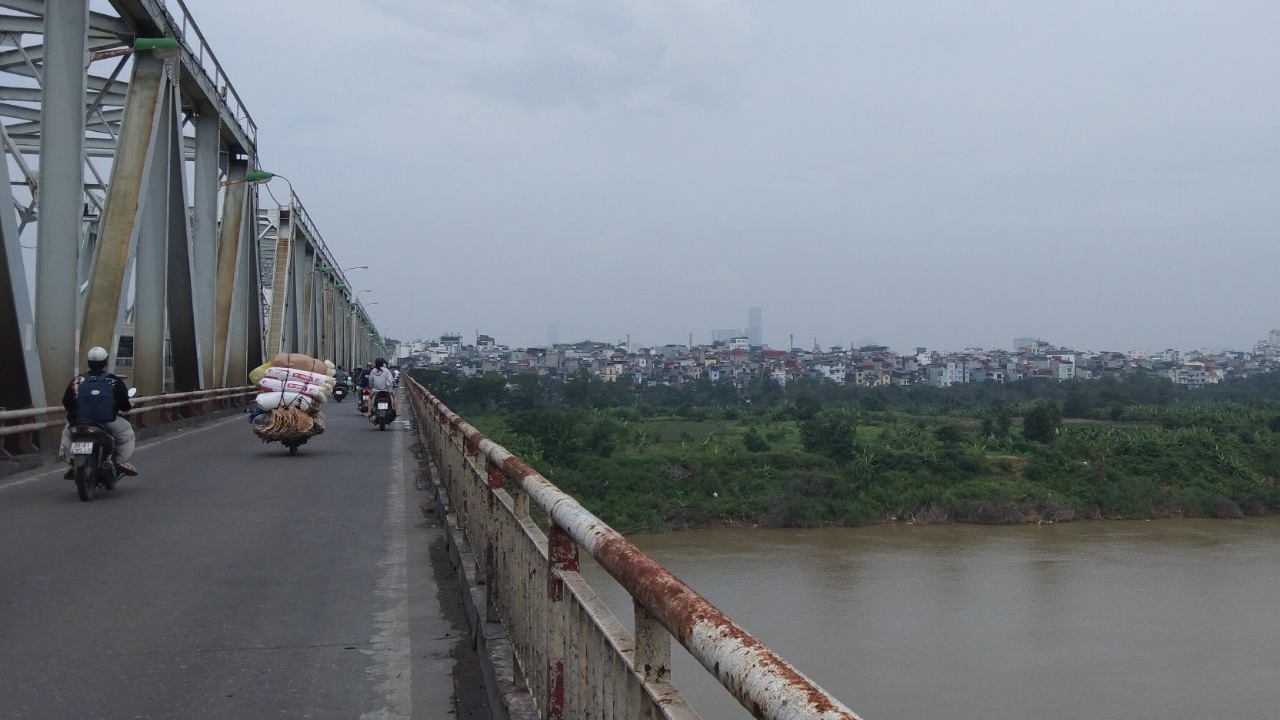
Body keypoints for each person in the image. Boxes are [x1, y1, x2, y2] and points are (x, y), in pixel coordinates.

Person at [60, 346, 138, 478]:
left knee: (67, 434)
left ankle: (71, 463)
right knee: (127, 434)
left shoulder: (77, 381)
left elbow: (67, 402)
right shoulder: (113, 380)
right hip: (107, 421)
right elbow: (124, 406)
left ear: (88, 363)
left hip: (79, 422)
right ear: (106, 362)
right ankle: (120, 462)